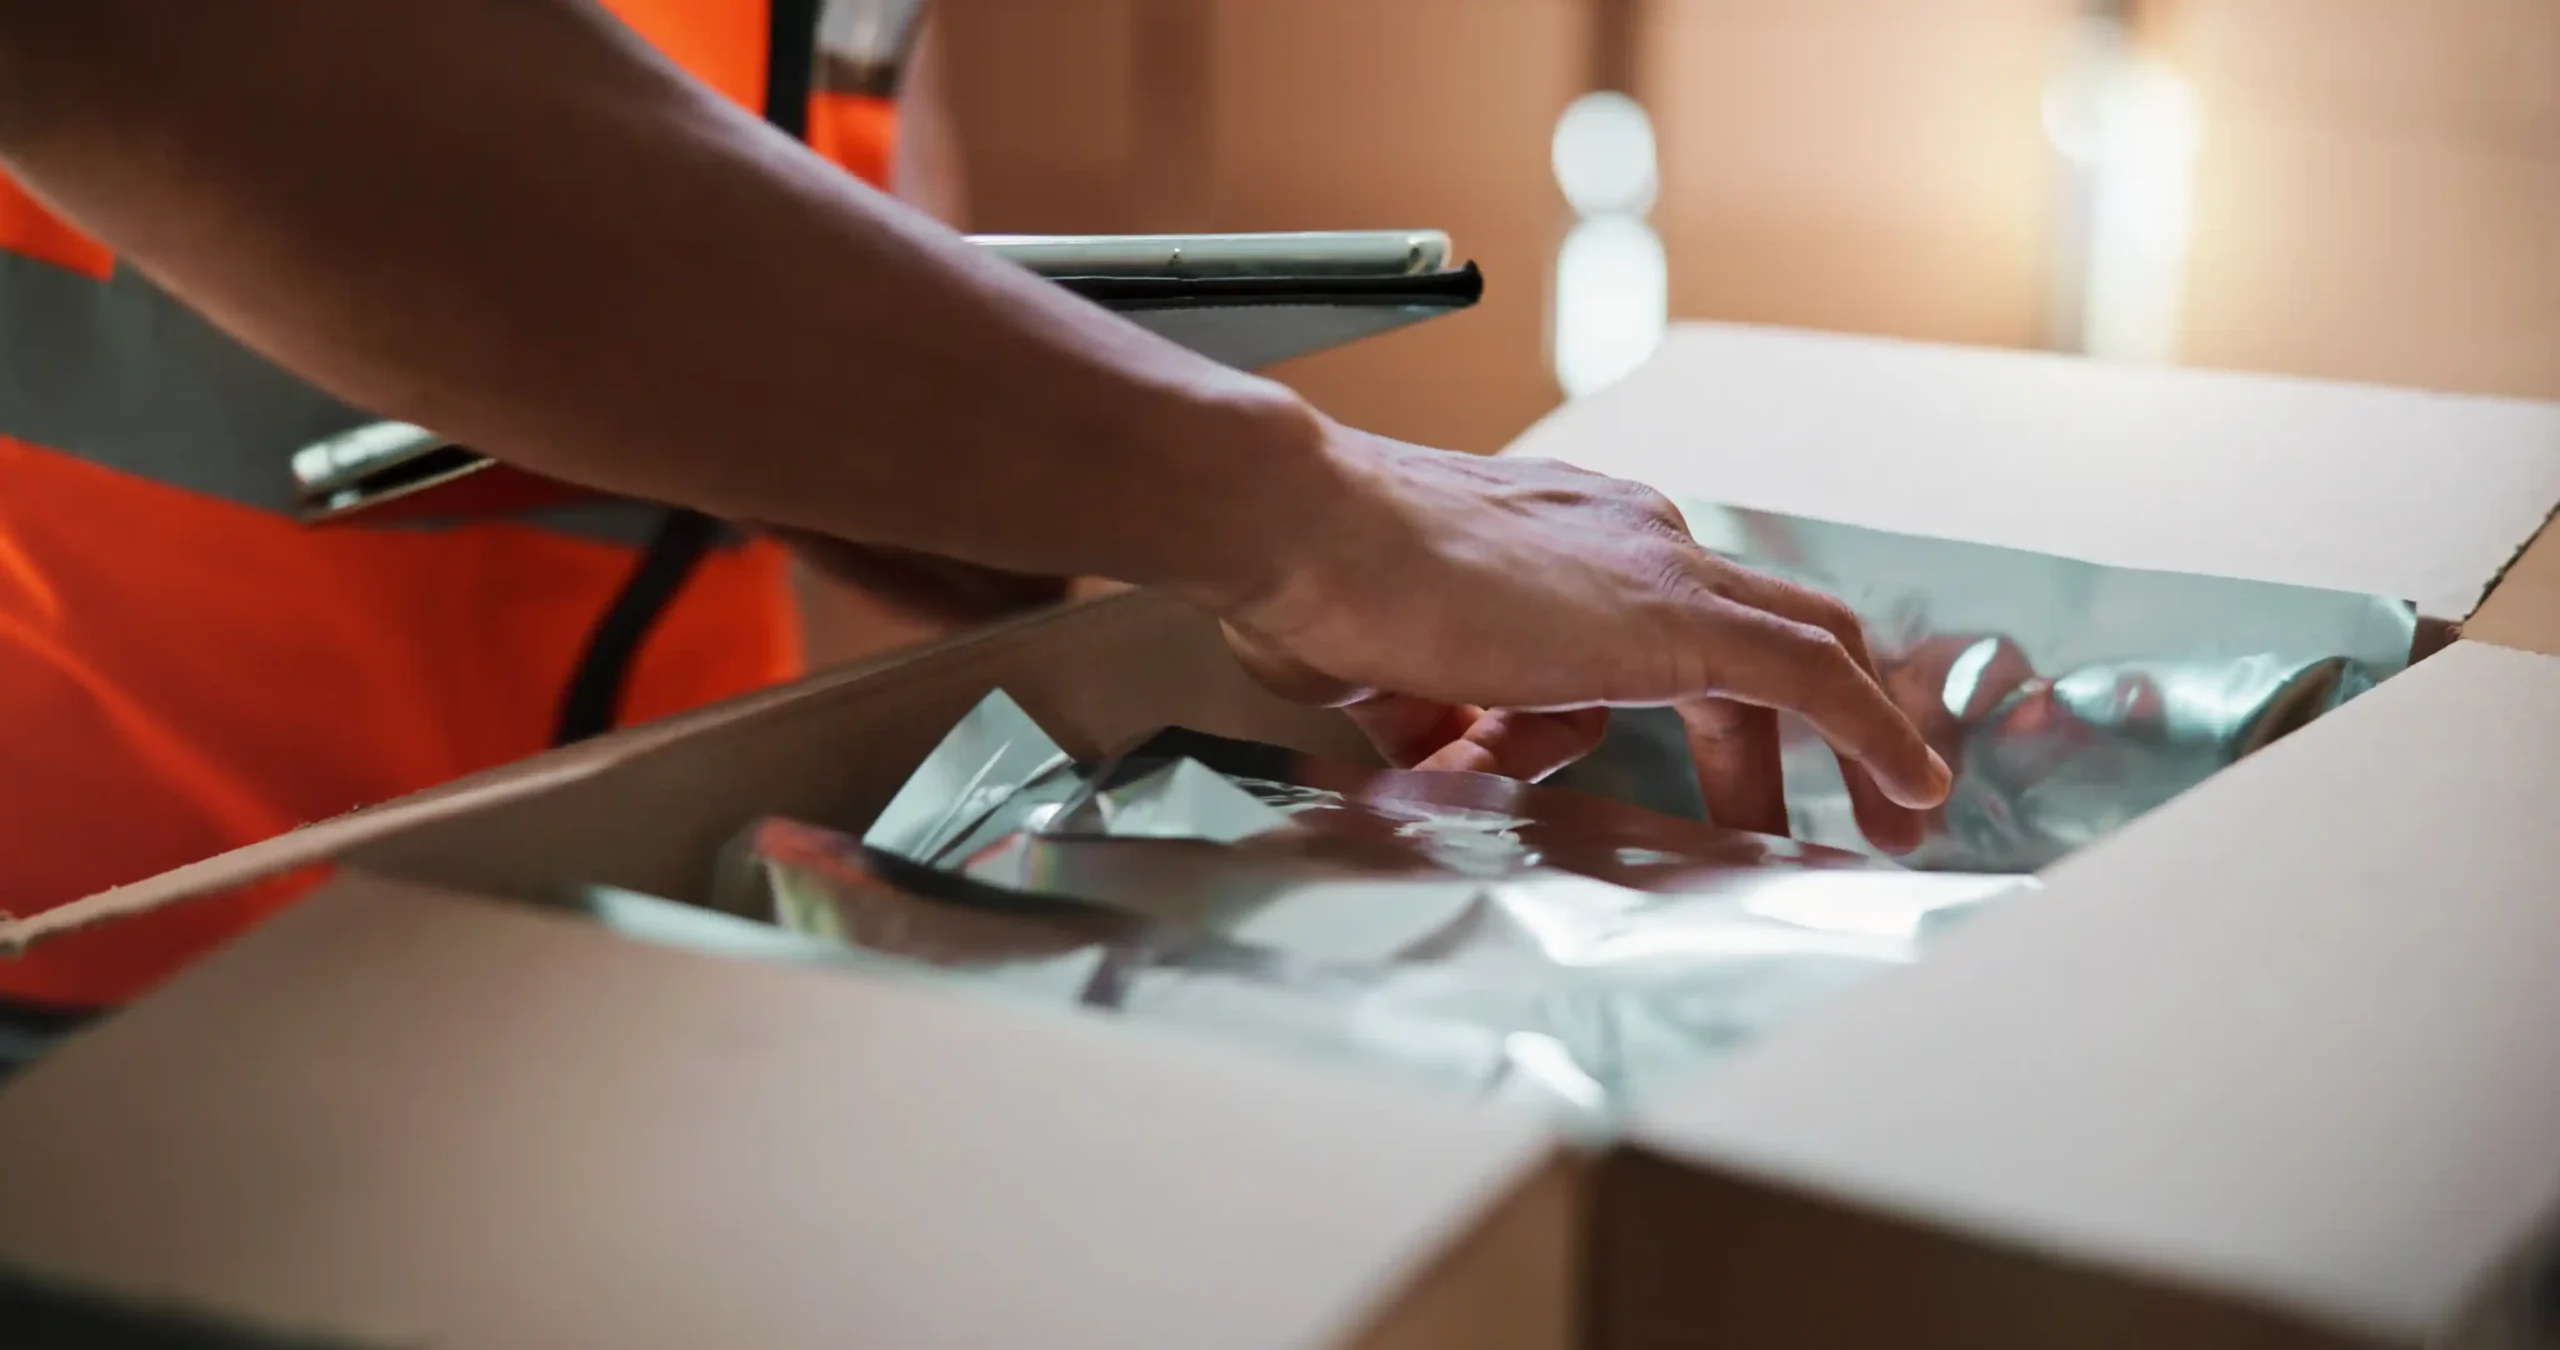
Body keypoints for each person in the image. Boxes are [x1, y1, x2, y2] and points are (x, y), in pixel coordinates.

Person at [0, 0, 1949, 1015]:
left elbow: (798, 278)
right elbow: (243, 68)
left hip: (550, 925)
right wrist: (1302, 508)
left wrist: (1065, 457)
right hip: (100, 938)